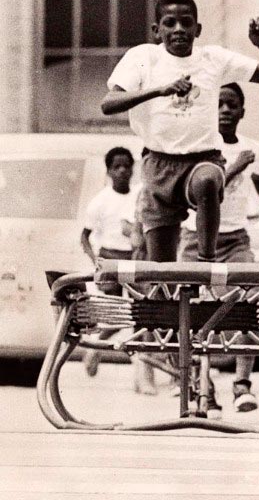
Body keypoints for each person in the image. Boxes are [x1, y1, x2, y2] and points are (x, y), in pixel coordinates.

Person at [101, 0, 259, 265]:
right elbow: (108, 103)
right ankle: (167, 298)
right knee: (161, 270)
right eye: (170, 23)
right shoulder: (143, 57)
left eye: (186, 23)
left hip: (201, 160)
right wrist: (159, 91)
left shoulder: (213, 58)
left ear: (197, 29)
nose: (179, 30)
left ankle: (206, 261)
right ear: (156, 30)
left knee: (209, 180)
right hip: (159, 165)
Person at [179, 82, 259, 415]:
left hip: (235, 237)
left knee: (245, 304)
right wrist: (237, 164)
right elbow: (203, 193)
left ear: (242, 111)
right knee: (191, 311)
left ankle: (241, 384)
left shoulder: (253, 148)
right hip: (196, 239)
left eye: (232, 104)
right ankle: (203, 387)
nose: (225, 110)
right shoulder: (198, 147)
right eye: (220, 104)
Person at [80, 146, 149, 383]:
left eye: (127, 166)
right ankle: (95, 348)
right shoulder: (101, 201)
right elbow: (84, 237)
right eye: (116, 167)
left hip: (135, 260)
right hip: (110, 260)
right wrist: (95, 261)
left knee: (141, 316)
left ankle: (142, 376)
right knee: (118, 316)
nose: (122, 171)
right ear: (108, 171)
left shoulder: (139, 194)